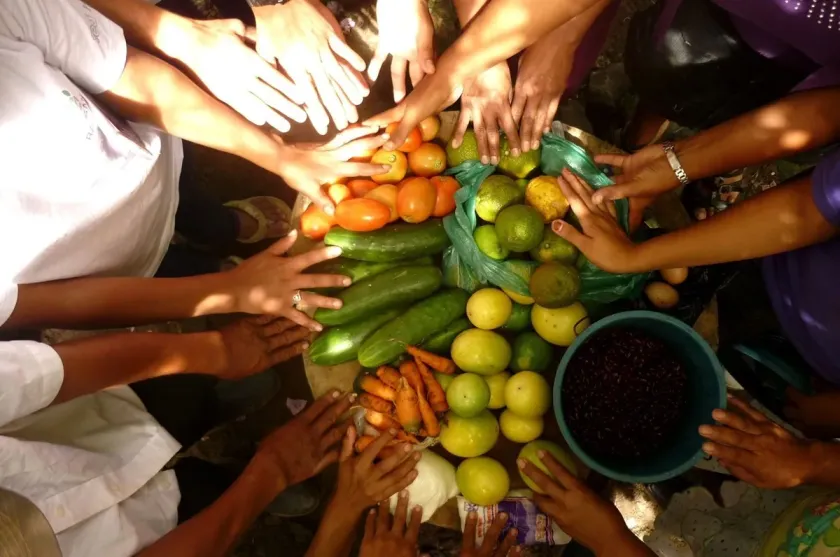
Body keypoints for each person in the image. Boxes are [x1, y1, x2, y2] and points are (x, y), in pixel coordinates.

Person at [0, 308, 418, 557]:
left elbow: (48, 374)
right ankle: (247, 476)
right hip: (157, 530)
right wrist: (272, 475)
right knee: (216, 495)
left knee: (197, 394)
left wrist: (217, 352)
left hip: (94, 424)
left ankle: (229, 401)